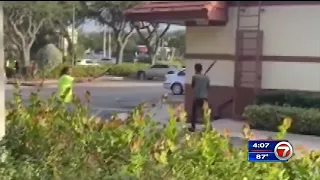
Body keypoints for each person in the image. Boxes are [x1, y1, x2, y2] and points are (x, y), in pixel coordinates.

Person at [189, 63, 210, 132]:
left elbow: (192, 86)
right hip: (205, 98)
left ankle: (193, 127)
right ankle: (207, 127)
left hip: (197, 97)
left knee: (194, 113)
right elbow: (207, 87)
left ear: (195, 69)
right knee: (205, 114)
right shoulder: (206, 78)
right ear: (201, 69)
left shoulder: (194, 77)